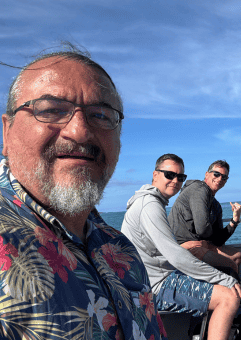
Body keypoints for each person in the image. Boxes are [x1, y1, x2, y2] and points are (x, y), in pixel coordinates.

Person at [0, 47, 166, 339]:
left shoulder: (121, 249)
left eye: (100, 115)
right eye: (51, 109)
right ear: (7, 131)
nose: (79, 131)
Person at [121, 154, 241, 340]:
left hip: (158, 275)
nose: (175, 181)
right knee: (229, 296)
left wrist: (233, 222)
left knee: (226, 274)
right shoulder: (150, 206)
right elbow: (176, 256)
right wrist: (224, 279)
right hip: (155, 285)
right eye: (169, 175)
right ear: (155, 175)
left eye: (180, 177)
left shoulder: (152, 202)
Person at [168, 160, 241, 274]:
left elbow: (218, 240)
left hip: (200, 244)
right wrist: (208, 242)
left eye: (224, 177)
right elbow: (202, 229)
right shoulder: (199, 189)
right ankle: (235, 285)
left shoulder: (216, 205)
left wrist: (234, 220)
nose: (220, 179)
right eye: (216, 174)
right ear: (207, 174)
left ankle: (233, 284)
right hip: (181, 246)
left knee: (237, 256)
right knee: (230, 265)